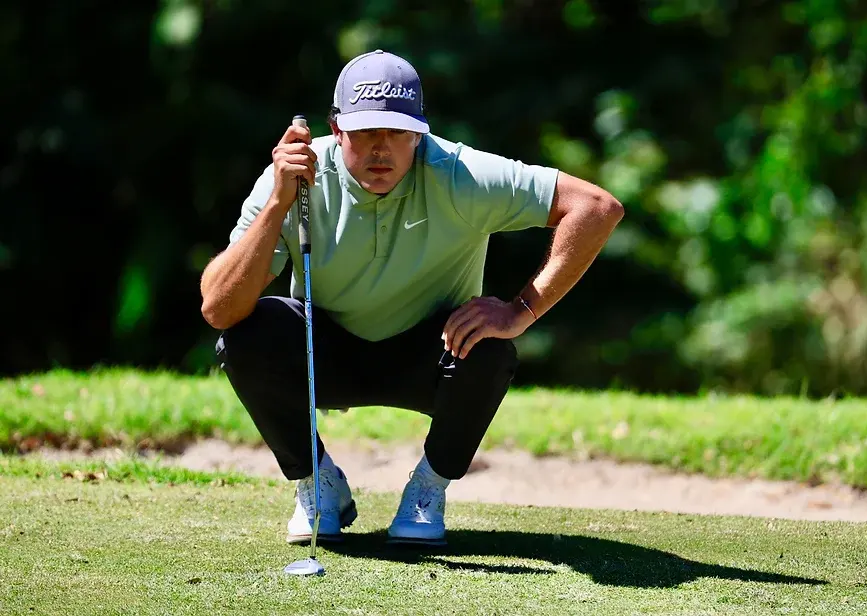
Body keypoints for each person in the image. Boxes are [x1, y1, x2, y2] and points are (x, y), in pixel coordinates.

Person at [199, 49, 624, 547]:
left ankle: (428, 489)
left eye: (397, 132)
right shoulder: (295, 176)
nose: (381, 150)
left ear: (419, 132)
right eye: (364, 133)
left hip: (433, 354)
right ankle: (318, 483)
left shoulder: (459, 173)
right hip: (325, 356)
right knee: (249, 334)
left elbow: (596, 208)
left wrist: (519, 311)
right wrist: (278, 202)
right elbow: (218, 309)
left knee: (490, 347)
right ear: (336, 130)